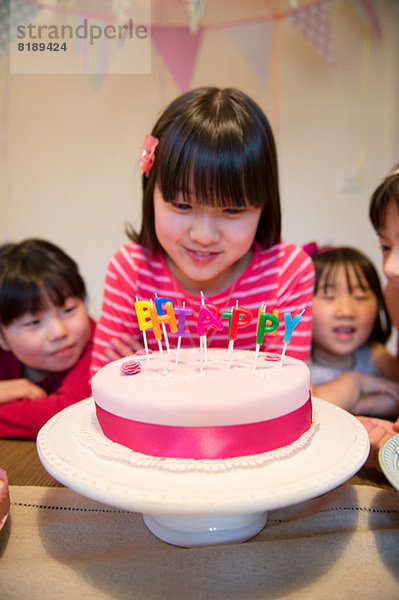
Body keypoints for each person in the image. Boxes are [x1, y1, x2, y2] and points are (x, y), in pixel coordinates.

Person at [91, 87, 314, 375]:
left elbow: (288, 388)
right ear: (151, 194)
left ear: (264, 205)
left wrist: (155, 370)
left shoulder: (287, 273)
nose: (204, 236)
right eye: (183, 205)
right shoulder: (131, 270)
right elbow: (104, 387)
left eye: (232, 211)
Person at [0, 239, 95, 439]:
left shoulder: (99, 346)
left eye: (69, 310)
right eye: (34, 322)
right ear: (3, 337)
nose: (59, 332)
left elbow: (65, 413)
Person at [309, 246, 399, 417]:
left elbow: (396, 396)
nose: (346, 311)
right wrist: (355, 383)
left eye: (360, 297)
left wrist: (358, 406)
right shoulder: (299, 363)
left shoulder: (375, 355)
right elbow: (307, 408)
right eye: (328, 296)